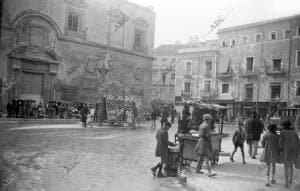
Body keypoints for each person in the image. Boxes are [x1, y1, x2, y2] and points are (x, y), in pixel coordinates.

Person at [279, 120, 300, 188]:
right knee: (291, 166)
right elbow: (298, 141)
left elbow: (280, 142)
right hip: (293, 151)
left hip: (286, 151)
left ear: (284, 125)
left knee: (286, 167)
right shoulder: (294, 132)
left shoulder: (282, 132)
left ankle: (286, 183)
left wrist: (280, 151)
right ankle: (291, 180)